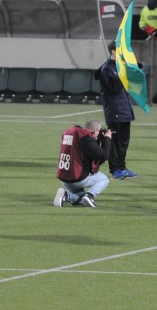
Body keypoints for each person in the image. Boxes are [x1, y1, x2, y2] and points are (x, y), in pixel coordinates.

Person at [95, 40, 137, 180]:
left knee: (124, 141)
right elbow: (112, 89)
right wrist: (121, 77)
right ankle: (114, 170)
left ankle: (122, 167)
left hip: (125, 109)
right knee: (114, 141)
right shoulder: (106, 69)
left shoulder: (122, 66)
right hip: (114, 110)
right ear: (113, 51)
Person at [54, 119, 111, 209]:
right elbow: (103, 155)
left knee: (79, 198)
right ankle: (90, 195)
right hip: (78, 177)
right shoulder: (86, 138)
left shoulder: (71, 133)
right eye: (99, 131)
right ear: (95, 131)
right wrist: (107, 139)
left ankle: (66, 196)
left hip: (64, 176)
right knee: (104, 180)